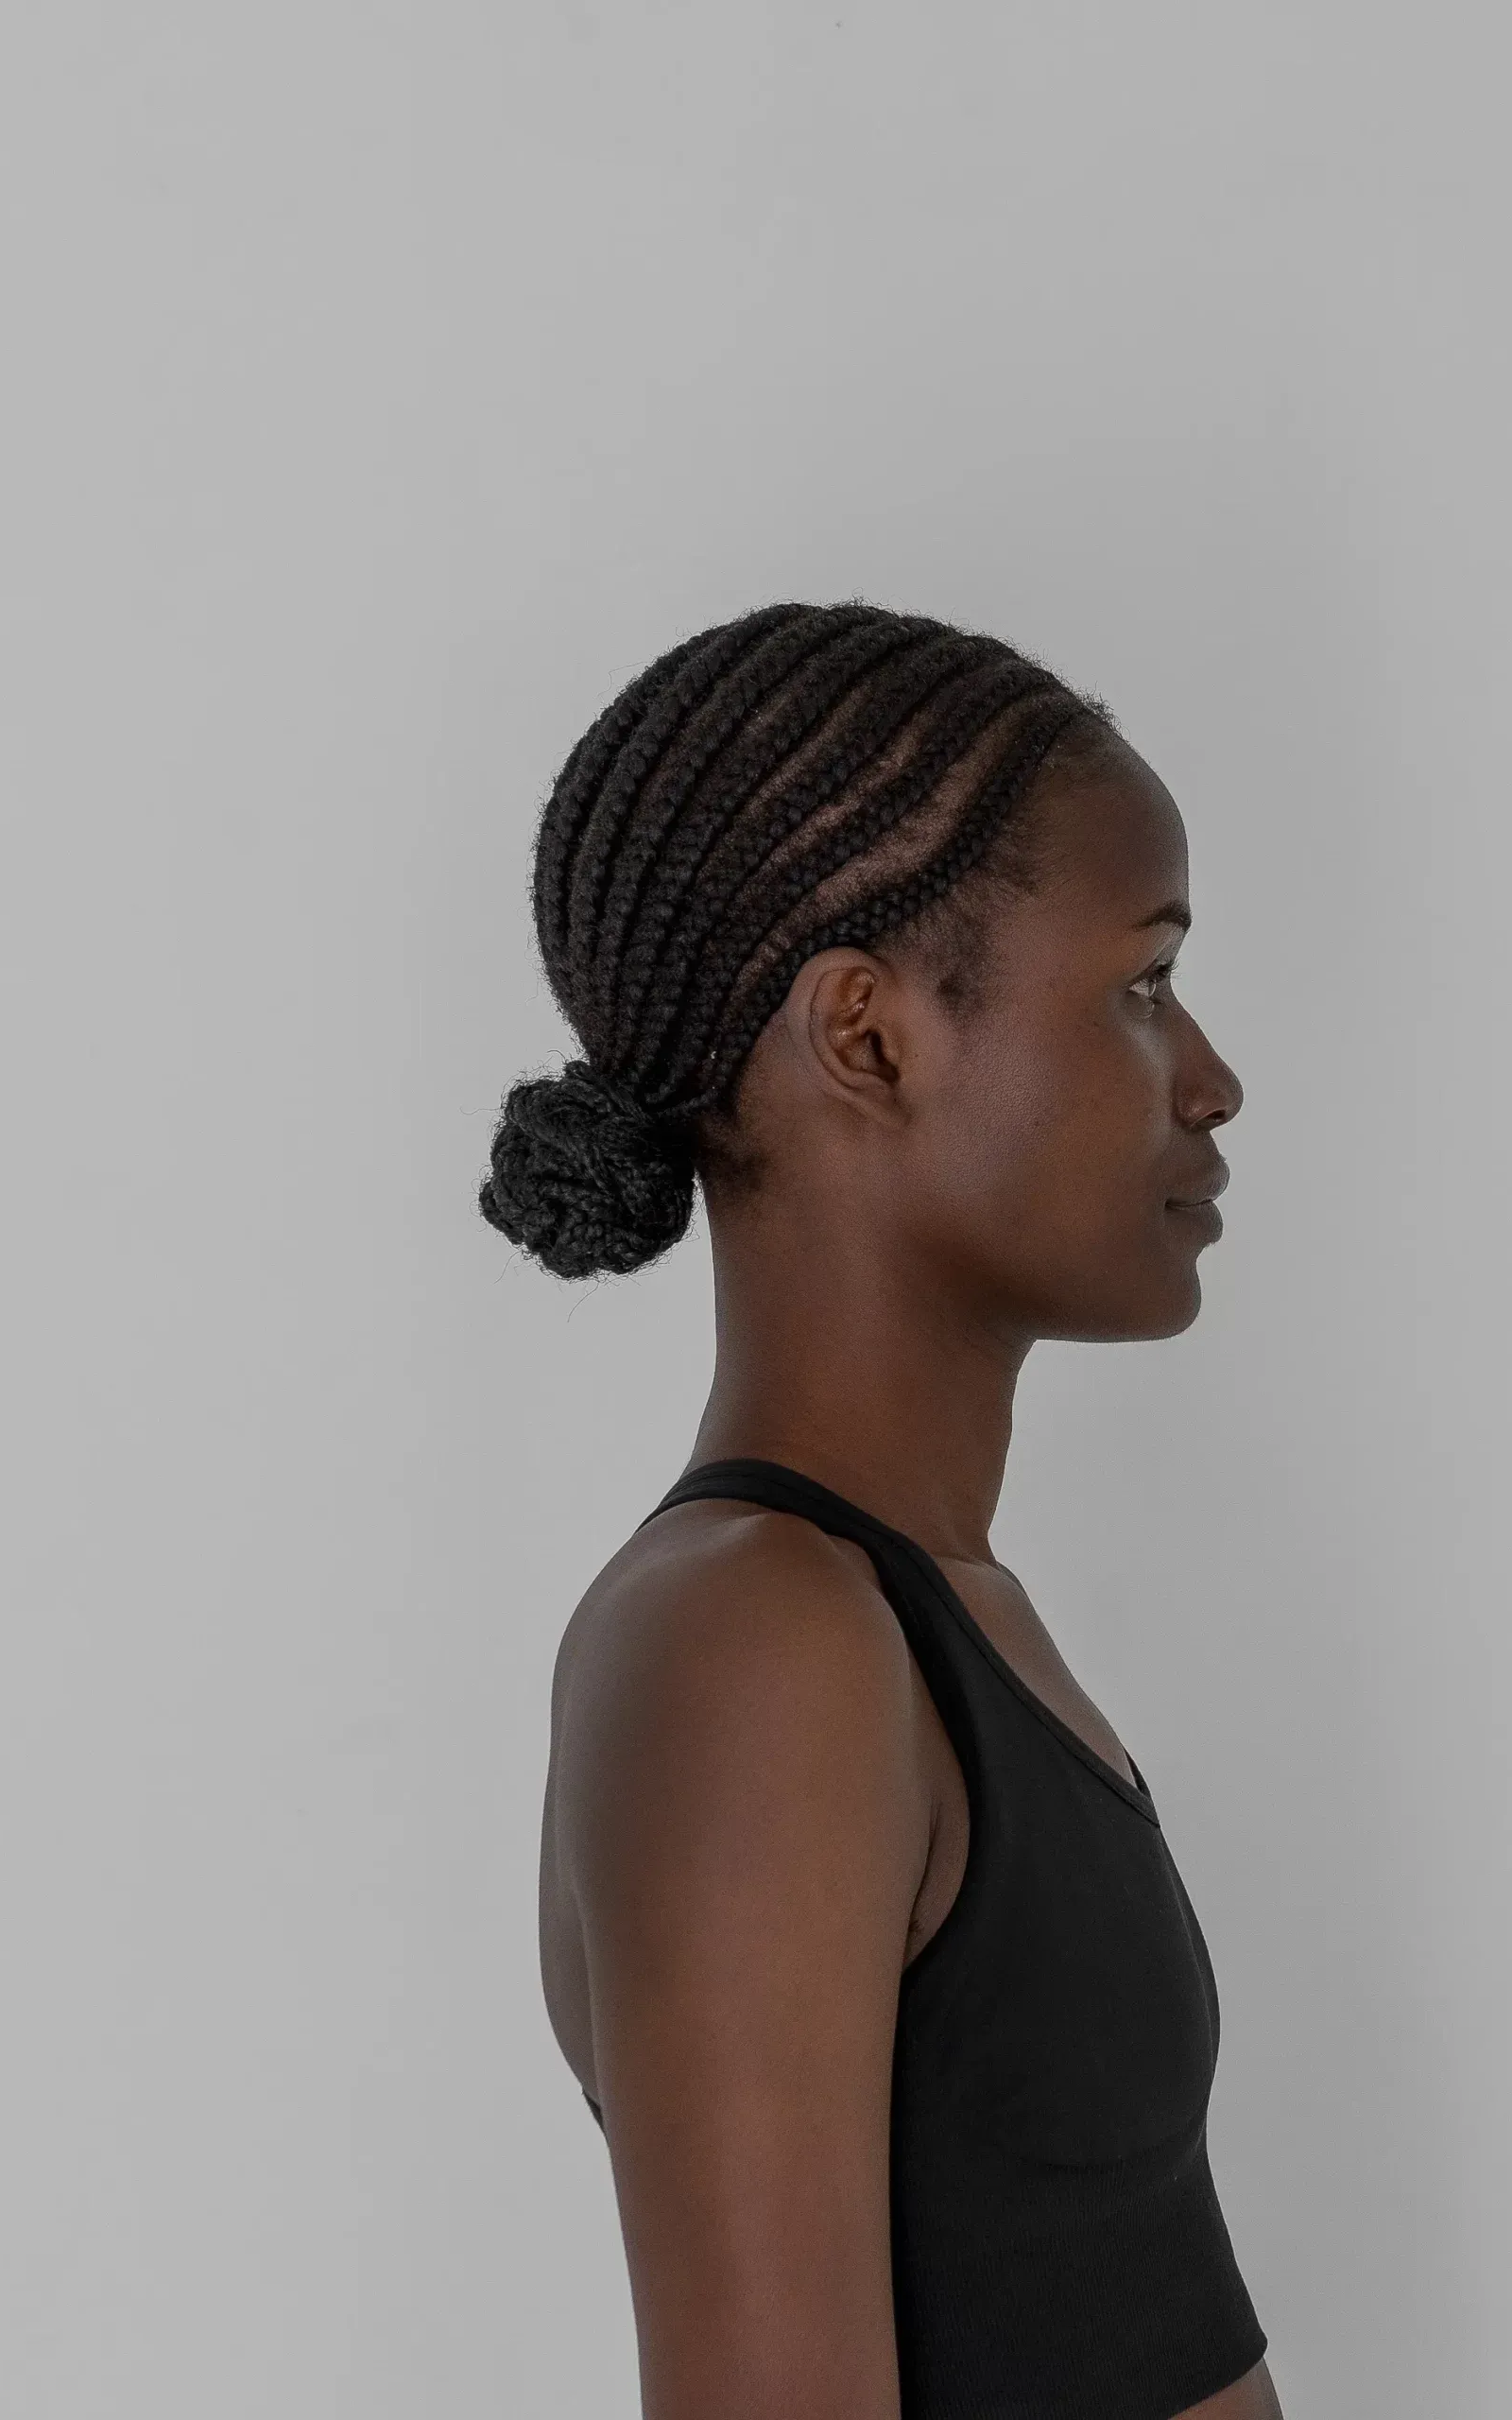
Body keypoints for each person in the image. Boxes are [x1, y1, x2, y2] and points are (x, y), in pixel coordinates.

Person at [483, 601, 1277, 2419]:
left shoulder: (932, 1610)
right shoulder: (755, 1639)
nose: (1212, 1079)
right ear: (868, 1035)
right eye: (1143, 985)